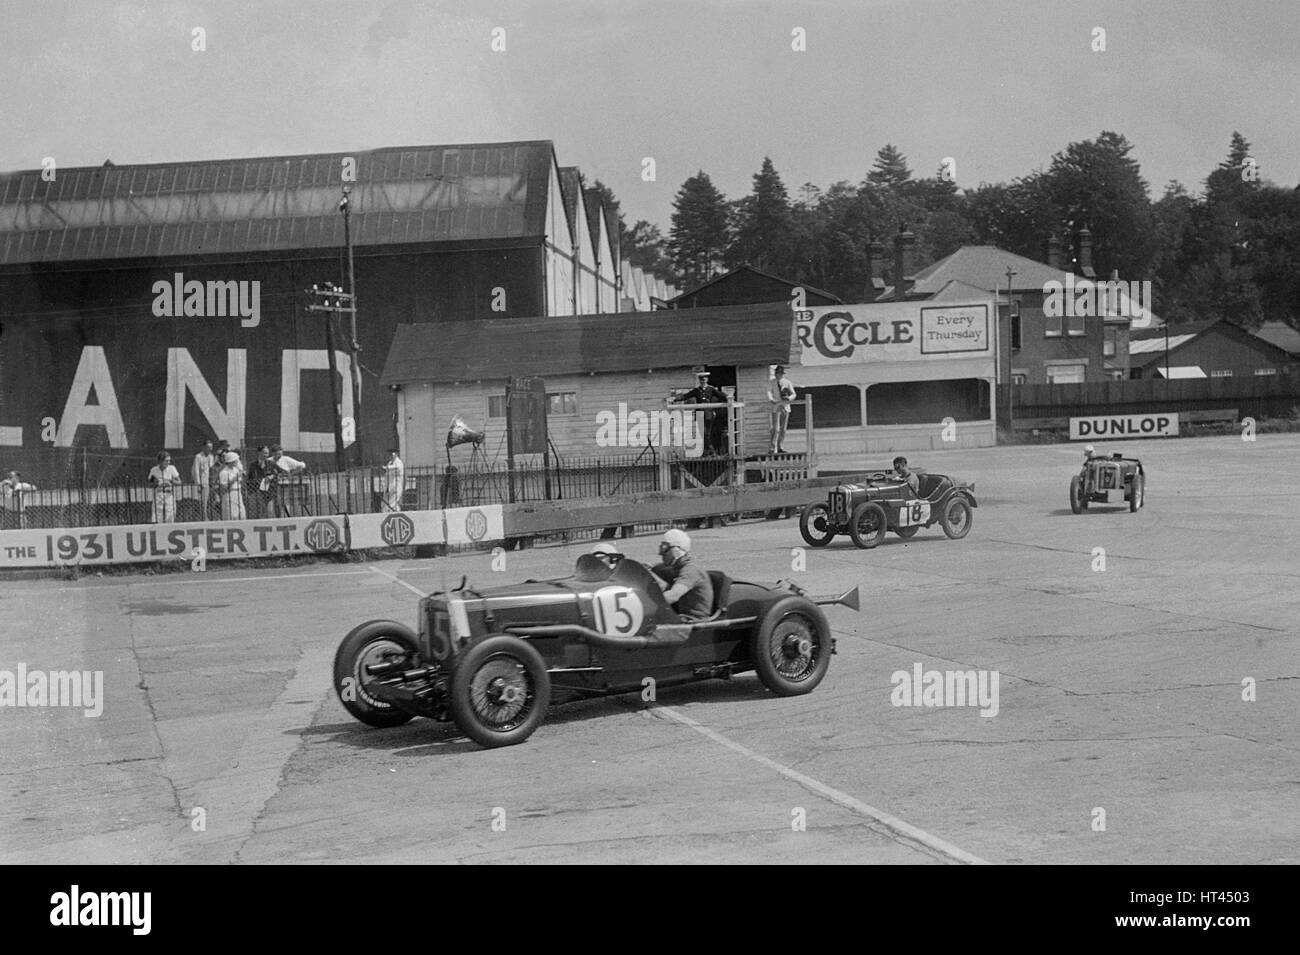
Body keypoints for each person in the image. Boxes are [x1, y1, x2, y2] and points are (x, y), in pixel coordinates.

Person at [653, 529, 713, 621]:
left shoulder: (690, 571)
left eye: (664, 548)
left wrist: (643, 603)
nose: (660, 553)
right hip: (680, 617)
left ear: (676, 550)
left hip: (693, 620)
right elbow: (665, 586)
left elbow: (673, 596)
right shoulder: (676, 568)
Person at [676, 369, 728, 456]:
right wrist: (674, 398)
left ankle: (710, 451)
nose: (702, 381)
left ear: (707, 380)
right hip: (699, 414)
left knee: (707, 433)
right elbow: (685, 396)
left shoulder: (711, 389)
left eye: (704, 379)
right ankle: (708, 451)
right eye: (701, 380)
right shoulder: (697, 390)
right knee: (702, 434)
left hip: (708, 415)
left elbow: (722, 396)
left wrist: (729, 398)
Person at [269, 445, 307, 517]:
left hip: (284, 486)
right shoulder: (269, 461)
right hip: (272, 487)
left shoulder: (286, 459)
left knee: (284, 505)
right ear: (273, 454)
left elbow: (302, 465)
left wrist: (292, 474)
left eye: (281, 454)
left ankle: (284, 518)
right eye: (277, 454)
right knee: (273, 506)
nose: (279, 456)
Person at [768, 364, 796, 454]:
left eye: (780, 373)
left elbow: (793, 394)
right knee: (776, 428)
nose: (778, 375)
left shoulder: (787, 382)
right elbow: (768, 391)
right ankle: (772, 447)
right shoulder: (771, 382)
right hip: (776, 406)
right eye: (777, 373)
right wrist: (772, 399)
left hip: (785, 406)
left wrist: (789, 398)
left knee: (783, 429)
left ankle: (780, 446)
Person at [148, 451, 181, 523]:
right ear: (160, 461)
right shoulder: (154, 470)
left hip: (168, 494)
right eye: (166, 461)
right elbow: (150, 485)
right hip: (158, 494)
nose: (168, 462)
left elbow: (179, 482)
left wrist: (170, 481)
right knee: (157, 516)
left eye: (169, 460)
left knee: (170, 516)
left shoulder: (171, 468)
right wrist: (156, 483)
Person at [217, 451, 247, 520]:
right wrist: (234, 479)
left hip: (238, 492)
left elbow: (240, 481)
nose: (237, 461)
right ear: (231, 461)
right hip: (230, 494)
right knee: (232, 514)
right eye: (236, 460)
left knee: (242, 514)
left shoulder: (236, 470)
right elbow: (224, 487)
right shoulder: (224, 472)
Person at [246, 445, 274, 518]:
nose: (266, 455)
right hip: (257, 492)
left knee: (269, 512)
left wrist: (272, 476)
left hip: (269, 492)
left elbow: (279, 473)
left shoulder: (271, 464)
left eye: (267, 453)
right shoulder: (253, 465)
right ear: (259, 453)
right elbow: (250, 479)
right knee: (259, 513)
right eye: (264, 453)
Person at [192, 440, 216, 519]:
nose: (210, 449)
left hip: (209, 482)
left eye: (211, 447)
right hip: (202, 482)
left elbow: (211, 469)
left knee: (211, 501)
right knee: (203, 502)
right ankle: (204, 517)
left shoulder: (211, 456)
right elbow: (196, 470)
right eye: (208, 447)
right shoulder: (198, 457)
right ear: (203, 447)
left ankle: (210, 516)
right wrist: (198, 484)